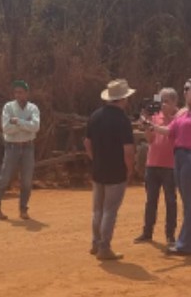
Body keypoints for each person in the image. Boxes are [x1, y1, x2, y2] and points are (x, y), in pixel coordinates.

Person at [149, 78, 191, 255]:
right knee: (188, 202)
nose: (185, 92)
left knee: (189, 202)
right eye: (184, 89)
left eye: (188, 88)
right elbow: (169, 131)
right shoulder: (183, 113)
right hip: (179, 156)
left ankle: (185, 243)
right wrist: (151, 126)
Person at [84, 79, 136, 260]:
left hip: (98, 168)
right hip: (116, 170)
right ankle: (104, 248)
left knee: (97, 209)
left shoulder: (95, 116)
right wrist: (129, 169)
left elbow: (87, 142)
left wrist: (95, 158)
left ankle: (95, 243)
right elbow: (128, 150)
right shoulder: (122, 120)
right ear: (122, 99)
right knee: (110, 210)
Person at [134, 88, 179, 247]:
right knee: (151, 200)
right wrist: (147, 125)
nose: (163, 105)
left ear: (174, 103)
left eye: (167, 101)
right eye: (162, 101)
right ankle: (147, 232)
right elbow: (150, 139)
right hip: (153, 163)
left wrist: (153, 123)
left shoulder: (179, 118)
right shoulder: (156, 117)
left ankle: (170, 235)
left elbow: (171, 134)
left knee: (170, 201)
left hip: (170, 166)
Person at [0, 80, 40, 220]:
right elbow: (6, 128)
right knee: (4, 178)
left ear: (27, 93)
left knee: (27, 180)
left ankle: (23, 209)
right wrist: (26, 124)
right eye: (16, 92)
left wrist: (17, 121)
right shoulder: (8, 107)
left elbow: (36, 127)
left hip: (28, 147)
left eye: (21, 92)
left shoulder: (33, 108)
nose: (18, 95)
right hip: (12, 147)